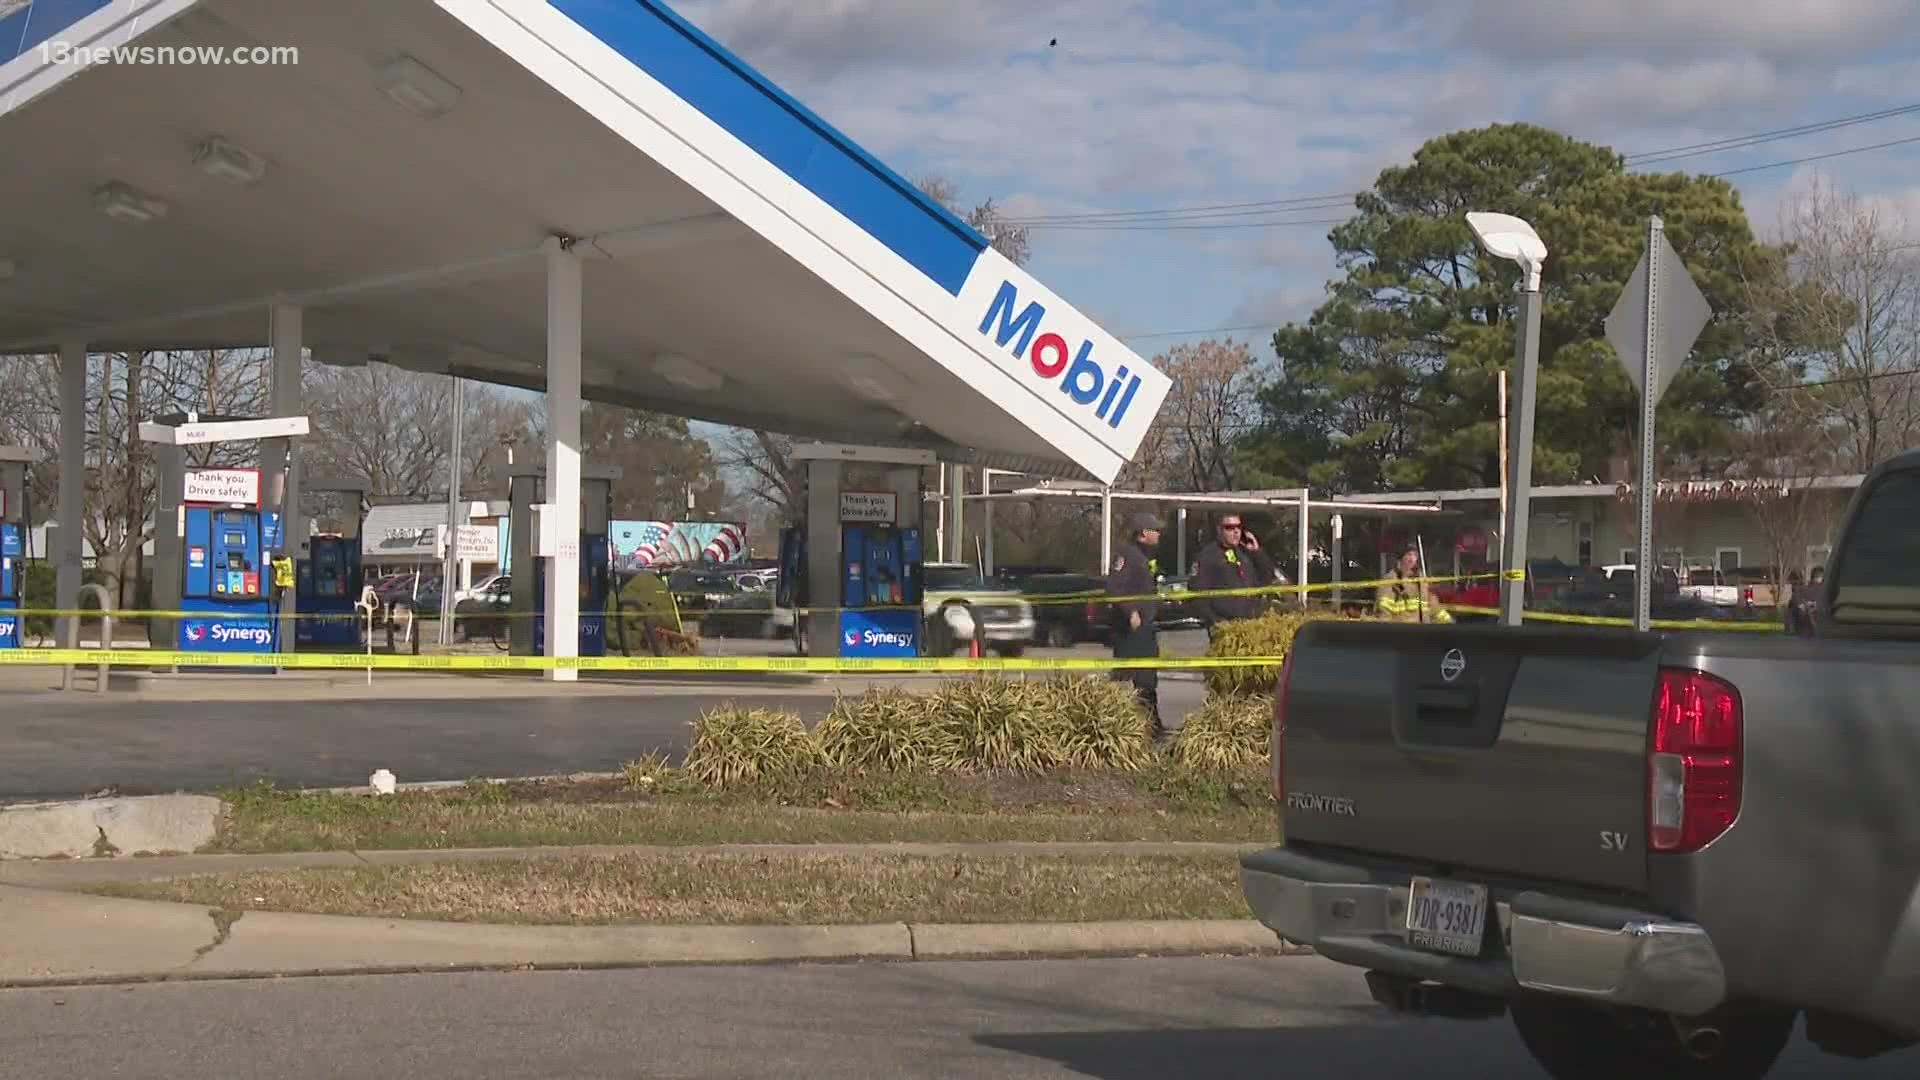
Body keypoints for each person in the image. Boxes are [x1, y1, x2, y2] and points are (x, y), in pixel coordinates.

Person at [1106, 511, 1165, 738]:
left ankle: (1153, 726)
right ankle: (1137, 728)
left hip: (1146, 628)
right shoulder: (1127, 555)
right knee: (1134, 679)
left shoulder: (1144, 557)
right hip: (1131, 631)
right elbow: (1113, 588)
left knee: (1147, 679)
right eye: (1155, 530)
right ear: (1143, 533)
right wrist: (1130, 612)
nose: (1159, 534)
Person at [1191, 514, 1283, 637]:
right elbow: (1197, 593)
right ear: (1219, 530)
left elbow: (1267, 576)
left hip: (1251, 621)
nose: (1236, 531)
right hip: (1225, 625)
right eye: (1229, 527)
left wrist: (1257, 552)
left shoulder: (1245, 552)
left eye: (1239, 527)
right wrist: (1215, 621)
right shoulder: (1208, 556)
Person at [1375, 543, 1452, 623]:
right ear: (1401, 558)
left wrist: (1449, 624)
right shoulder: (1390, 581)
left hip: (1424, 631)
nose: (1412, 559)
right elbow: (1384, 612)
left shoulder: (1421, 581)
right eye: (1408, 555)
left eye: (1415, 555)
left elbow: (1434, 607)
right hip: (1403, 632)